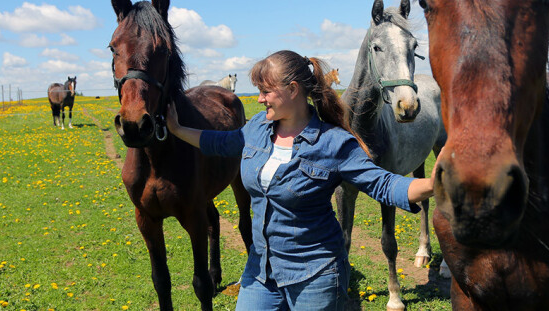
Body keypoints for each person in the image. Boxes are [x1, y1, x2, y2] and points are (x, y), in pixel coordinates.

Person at [166, 50, 439, 310]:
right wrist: (177, 129)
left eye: (265, 91)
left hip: (315, 276)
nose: (259, 99)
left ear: (293, 90)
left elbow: (384, 184)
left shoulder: (333, 143)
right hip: (260, 271)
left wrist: (430, 185)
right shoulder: (258, 128)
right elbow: (223, 142)